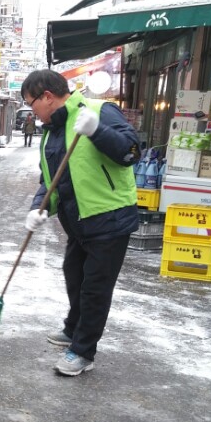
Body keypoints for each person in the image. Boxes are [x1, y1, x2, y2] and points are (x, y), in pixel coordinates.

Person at [21, 69, 140, 377]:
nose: (32, 111)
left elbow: (130, 153)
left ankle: (83, 351)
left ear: (47, 97)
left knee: (94, 288)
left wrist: (98, 131)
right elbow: (50, 178)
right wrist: (39, 208)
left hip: (109, 219)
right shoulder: (51, 131)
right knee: (73, 275)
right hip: (79, 223)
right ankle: (74, 329)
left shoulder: (99, 111)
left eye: (31, 103)